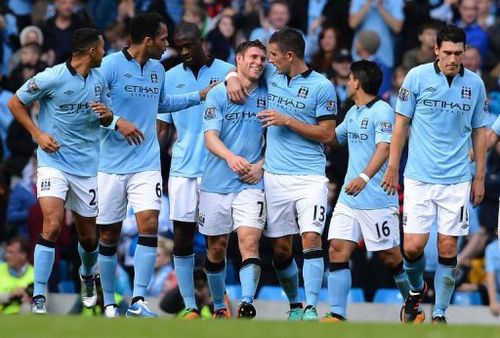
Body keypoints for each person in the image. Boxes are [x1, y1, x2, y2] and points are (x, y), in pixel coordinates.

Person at [96, 13, 210, 319]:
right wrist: (118, 123)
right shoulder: (109, 66)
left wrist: (198, 96)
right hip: (110, 164)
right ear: (148, 40)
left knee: (148, 224)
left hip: (146, 164)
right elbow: (92, 108)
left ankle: (137, 301)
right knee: (108, 234)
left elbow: (162, 104)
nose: (167, 44)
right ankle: (108, 302)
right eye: (163, 39)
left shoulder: (159, 69)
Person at [228, 27, 337, 321]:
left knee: (312, 238)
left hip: (310, 177)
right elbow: (239, 67)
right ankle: (296, 306)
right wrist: (229, 78)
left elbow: (327, 134)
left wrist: (287, 120)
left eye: (273, 56)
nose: (268, 62)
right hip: (275, 177)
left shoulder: (322, 86)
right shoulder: (272, 76)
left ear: (290, 55)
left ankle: (313, 307)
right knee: (280, 250)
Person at [381, 25, 488, 324]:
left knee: (448, 246)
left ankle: (439, 312)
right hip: (418, 176)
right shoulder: (416, 77)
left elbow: (480, 132)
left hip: (456, 178)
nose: (453, 58)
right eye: (448, 52)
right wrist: (392, 167)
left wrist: (478, 176)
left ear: (464, 52)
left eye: (458, 53)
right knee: (413, 247)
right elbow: (401, 124)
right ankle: (417, 291)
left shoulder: (475, 85)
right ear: (436, 50)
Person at [7, 27, 115, 314]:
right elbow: (15, 102)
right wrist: (37, 135)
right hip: (53, 162)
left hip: (88, 167)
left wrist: (107, 117)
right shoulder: (52, 77)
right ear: (92, 51)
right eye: (102, 48)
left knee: (89, 237)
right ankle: (39, 295)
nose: (105, 53)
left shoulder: (101, 80)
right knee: (52, 225)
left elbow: (106, 120)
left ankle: (87, 274)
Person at [321, 60, 413, 322]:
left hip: (377, 197)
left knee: (389, 256)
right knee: (337, 248)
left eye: (350, 78)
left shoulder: (383, 111)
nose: (348, 82)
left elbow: (384, 148)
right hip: (350, 198)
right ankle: (337, 314)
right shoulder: (352, 112)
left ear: (357, 82)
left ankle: (413, 299)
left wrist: (363, 177)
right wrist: (295, 126)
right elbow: (332, 139)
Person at [156, 22, 234, 320]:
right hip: (182, 171)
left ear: (201, 42)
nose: (185, 51)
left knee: (218, 241)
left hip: (217, 169)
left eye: (190, 45)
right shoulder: (169, 76)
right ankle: (189, 306)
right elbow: (162, 128)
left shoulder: (228, 72)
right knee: (183, 238)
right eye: (180, 46)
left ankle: (219, 305)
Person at [199, 39, 267, 319]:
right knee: (216, 248)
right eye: (253, 57)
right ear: (238, 59)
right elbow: (209, 137)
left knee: (249, 243)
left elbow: (277, 140)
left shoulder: (269, 92)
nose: (259, 63)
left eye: (263, 58)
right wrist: (229, 157)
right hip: (216, 182)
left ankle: (247, 303)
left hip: (251, 182)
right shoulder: (219, 93)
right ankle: (219, 307)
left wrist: (261, 166)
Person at [0, 237, 34, 314]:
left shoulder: (36, 275)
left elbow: (43, 304)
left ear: (23, 255)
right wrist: (10, 295)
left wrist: (28, 301)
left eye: (10, 252)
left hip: (24, 322)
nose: (6, 255)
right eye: (7, 252)